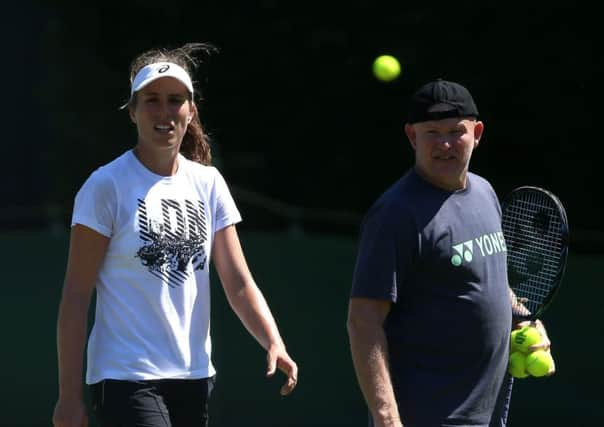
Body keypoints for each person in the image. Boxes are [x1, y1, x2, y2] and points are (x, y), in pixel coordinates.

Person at [52, 42, 298, 427]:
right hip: (124, 377)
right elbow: (76, 295)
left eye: (175, 100)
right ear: (132, 111)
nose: (164, 112)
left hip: (194, 376)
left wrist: (273, 340)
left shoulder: (209, 183)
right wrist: (69, 396)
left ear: (191, 111)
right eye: (151, 100)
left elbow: (238, 281)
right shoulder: (106, 186)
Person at [346, 79, 554, 427]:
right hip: (427, 415)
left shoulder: (485, 193)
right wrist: (387, 417)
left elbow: (491, 281)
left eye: (456, 131)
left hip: (485, 412)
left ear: (477, 133)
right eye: (432, 133)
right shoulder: (396, 214)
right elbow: (363, 321)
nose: (444, 144)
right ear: (412, 136)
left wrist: (524, 317)